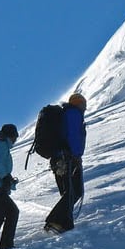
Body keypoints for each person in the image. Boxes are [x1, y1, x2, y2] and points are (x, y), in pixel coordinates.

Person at [45, 93, 88, 234]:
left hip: (60, 158)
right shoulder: (74, 114)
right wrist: (76, 156)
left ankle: (60, 222)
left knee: (70, 191)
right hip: (67, 158)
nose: (85, 107)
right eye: (83, 103)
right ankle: (55, 221)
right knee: (73, 191)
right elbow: (74, 137)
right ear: (79, 103)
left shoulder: (67, 113)